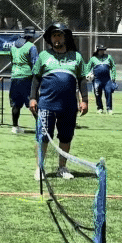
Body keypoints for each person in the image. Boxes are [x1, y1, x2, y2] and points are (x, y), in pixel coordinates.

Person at [29, 22, 88, 180]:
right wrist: (33, 98)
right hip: (46, 105)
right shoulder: (43, 56)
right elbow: (36, 79)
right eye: (54, 35)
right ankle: (40, 168)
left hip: (69, 106)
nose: (57, 38)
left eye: (59, 35)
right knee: (43, 137)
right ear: (50, 38)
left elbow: (82, 80)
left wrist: (84, 100)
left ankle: (62, 167)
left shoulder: (76, 57)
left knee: (66, 137)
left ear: (65, 37)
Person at [9, 27, 39, 134]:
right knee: (33, 102)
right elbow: (35, 63)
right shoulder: (31, 47)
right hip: (27, 78)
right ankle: (41, 127)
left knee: (16, 104)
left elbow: (12, 60)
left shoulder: (13, 46)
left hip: (15, 77)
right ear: (31, 37)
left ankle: (15, 127)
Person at [86, 45, 116, 114]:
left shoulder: (108, 57)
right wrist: (87, 75)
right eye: (101, 50)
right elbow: (88, 68)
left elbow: (113, 67)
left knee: (108, 92)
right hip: (97, 80)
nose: (102, 51)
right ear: (98, 51)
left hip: (107, 79)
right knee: (97, 94)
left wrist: (113, 77)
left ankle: (109, 108)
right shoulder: (93, 58)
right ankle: (100, 108)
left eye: (103, 50)